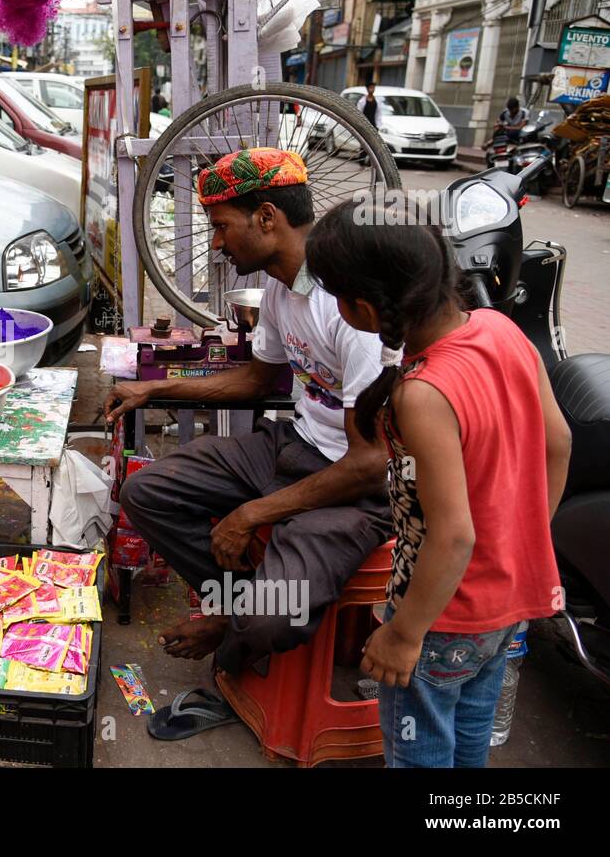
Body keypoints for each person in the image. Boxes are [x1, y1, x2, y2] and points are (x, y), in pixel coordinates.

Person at [105, 148, 393, 737]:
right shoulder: (284, 289)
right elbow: (258, 380)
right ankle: (239, 607)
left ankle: (232, 645)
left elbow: (370, 462)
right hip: (296, 445)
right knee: (150, 490)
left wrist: (252, 513)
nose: (217, 243)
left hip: (356, 488)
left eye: (221, 226)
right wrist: (154, 392)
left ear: (266, 218)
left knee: (271, 617)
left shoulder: (350, 306)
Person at [305, 199, 570, 768]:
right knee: (470, 731)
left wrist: (403, 634)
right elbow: (558, 444)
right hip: (505, 602)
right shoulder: (500, 329)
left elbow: (451, 538)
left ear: (364, 307)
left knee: (421, 751)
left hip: (441, 616)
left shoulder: (422, 393)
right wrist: (520, 547)